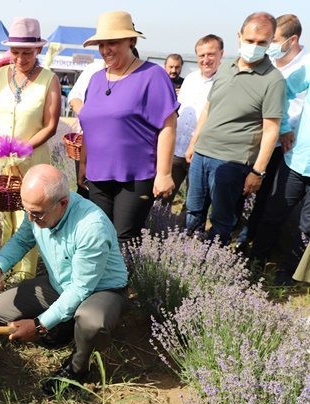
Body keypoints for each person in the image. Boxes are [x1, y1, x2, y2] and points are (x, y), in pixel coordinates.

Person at [0, 164, 128, 394]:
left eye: (37, 213)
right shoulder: (39, 210)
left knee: (91, 320)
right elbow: (22, 240)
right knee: (1, 309)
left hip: (102, 291)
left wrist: (39, 325)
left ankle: (78, 368)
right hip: (61, 285)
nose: (30, 218)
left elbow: (81, 289)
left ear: (62, 203)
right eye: (26, 210)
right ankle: (65, 327)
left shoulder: (91, 227)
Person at [78, 11, 178, 246]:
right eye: (101, 44)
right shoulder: (95, 79)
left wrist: (163, 174)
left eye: (112, 42)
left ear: (131, 41)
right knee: (97, 236)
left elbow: (168, 125)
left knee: (124, 240)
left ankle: (120, 283)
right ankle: (99, 283)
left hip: (135, 177)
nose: (105, 50)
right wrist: (83, 164)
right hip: (97, 175)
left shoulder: (153, 76)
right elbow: (89, 126)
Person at [185, 12, 286, 246]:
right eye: (250, 41)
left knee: (222, 219)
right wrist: (194, 143)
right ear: (239, 37)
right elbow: (209, 109)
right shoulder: (226, 68)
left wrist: (257, 172)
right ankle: (186, 258)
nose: (255, 46)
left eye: (262, 42)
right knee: (193, 212)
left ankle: (209, 267)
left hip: (232, 161)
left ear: (271, 42)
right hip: (202, 154)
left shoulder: (273, 80)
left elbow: (271, 130)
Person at [0, 17, 61, 281]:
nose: (21, 58)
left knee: (29, 216)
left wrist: (26, 145)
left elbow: (50, 124)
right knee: (0, 218)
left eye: (27, 52)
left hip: (32, 160)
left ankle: (23, 277)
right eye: (16, 52)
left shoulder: (49, 80)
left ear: (37, 49)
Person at [236, 13, 310, 249]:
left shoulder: (302, 64)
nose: (268, 44)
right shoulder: (271, 62)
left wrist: (285, 129)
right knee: (251, 198)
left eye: (273, 39)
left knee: (274, 202)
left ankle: (258, 247)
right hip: (266, 144)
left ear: (292, 39)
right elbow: (273, 94)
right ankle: (244, 243)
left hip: (284, 147)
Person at [250, 61, 309, 284]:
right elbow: (284, 91)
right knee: (272, 215)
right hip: (296, 161)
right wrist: (283, 128)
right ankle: (254, 265)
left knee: (307, 227)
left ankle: (288, 276)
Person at [168, 35, 224, 204]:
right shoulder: (190, 79)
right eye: (201, 55)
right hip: (177, 148)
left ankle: (190, 230)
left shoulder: (225, 81)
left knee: (195, 201)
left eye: (211, 54)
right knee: (164, 195)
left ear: (221, 54)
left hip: (202, 151)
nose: (206, 60)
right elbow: (179, 109)